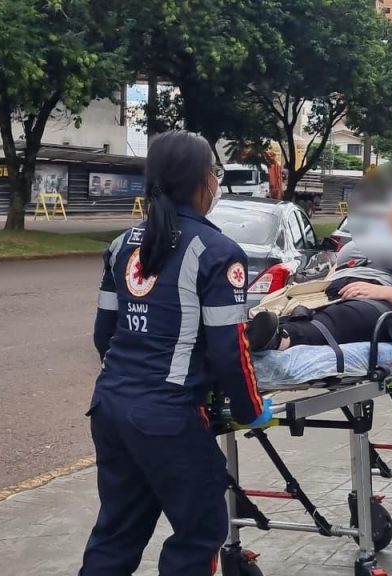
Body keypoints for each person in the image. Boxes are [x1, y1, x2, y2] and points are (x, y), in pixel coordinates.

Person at [80, 130, 271, 575]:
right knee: (200, 531)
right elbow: (230, 351)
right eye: (216, 175)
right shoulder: (218, 252)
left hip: (111, 408)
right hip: (168, 418)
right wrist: (251, 408)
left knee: (117, 532)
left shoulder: (121, 245)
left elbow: (104, 334)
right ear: (204, 180)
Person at [246, 194, 392, 352]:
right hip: (335, 291)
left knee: (344, 315)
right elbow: (331, 275)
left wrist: (381, 292)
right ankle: (254, 334)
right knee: (299, 310)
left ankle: (282, 339)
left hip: (382, 303)